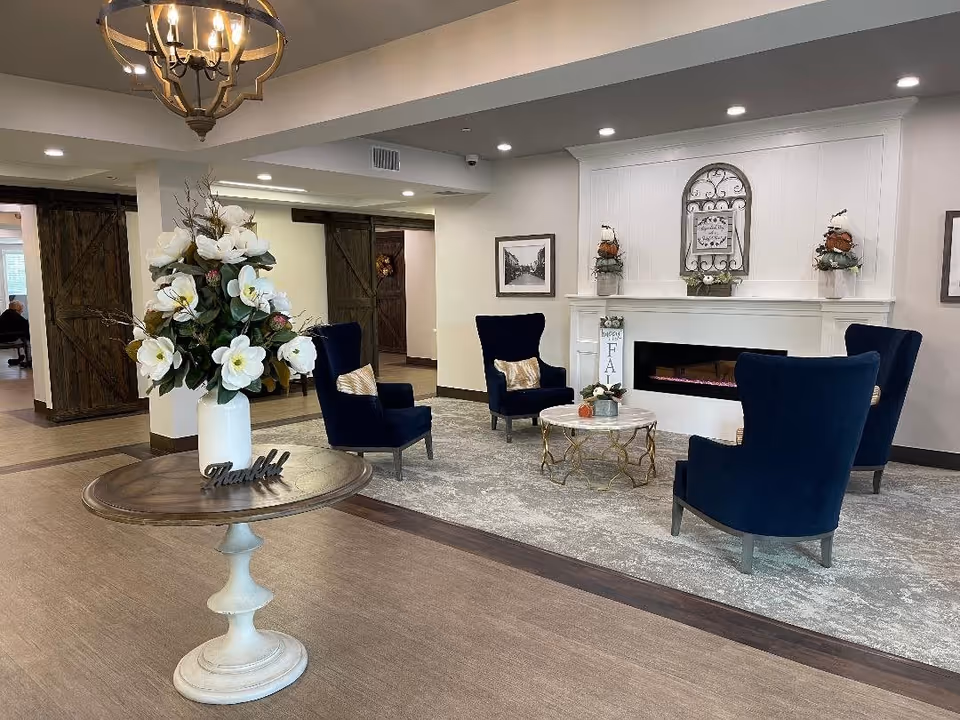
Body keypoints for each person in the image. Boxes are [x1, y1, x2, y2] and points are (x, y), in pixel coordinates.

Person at [0, 300, 30, 367]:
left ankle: (21, 359)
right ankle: (28, 360)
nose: (21, 313)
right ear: (17, 310)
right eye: (21, 311)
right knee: (27, 340)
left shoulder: (3, 315)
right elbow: (26, 330)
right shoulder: (18, 318)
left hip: (1, 340)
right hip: (11, 340)